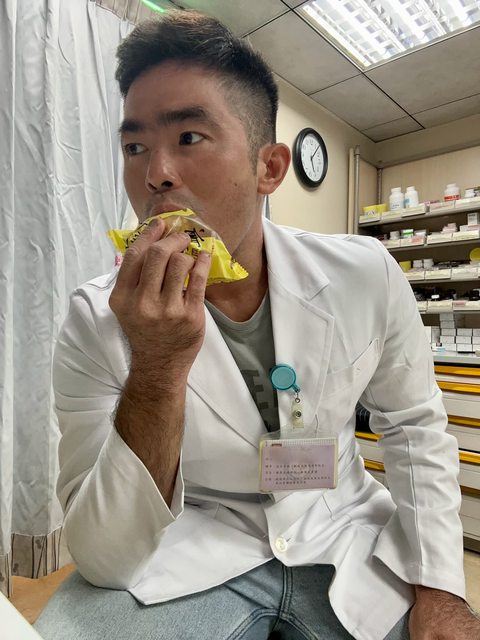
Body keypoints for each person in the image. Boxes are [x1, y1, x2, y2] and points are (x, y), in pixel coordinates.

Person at [35, 10, 479, 640]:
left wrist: (441, 588)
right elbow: (103, 556)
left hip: (338, 522)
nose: (156, 173)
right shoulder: (94, 318)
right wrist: (157, 365)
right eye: (134, 147)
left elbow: (414, 428)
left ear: (268, 169)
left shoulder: (365, 274)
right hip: (192, 535)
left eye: (189, 137)